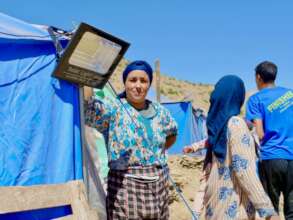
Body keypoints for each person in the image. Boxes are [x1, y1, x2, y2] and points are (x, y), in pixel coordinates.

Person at [84, 60, 178, 220]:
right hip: (125, 189)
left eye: (143, 81)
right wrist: (85, 74)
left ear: (149, 84)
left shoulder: (161, 112)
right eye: (133, 80)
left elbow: (172, 133)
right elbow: (88, 109)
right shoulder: (114, 109)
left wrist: (152, 153)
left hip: (158, 188)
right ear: (125, 83)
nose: (138, 85)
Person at [202, 75, 279, 220]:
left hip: (215, 208)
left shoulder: (216, 127)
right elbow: (244, 170)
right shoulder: (236, 124)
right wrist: (267, 210)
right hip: (234, 209)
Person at [246, 61, 293, 218]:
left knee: (271, 210)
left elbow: (259, 133)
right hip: (292, 158)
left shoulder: (256, 100)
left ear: (258, 77)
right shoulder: (290, 94)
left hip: (271, 158)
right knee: (291, 210)